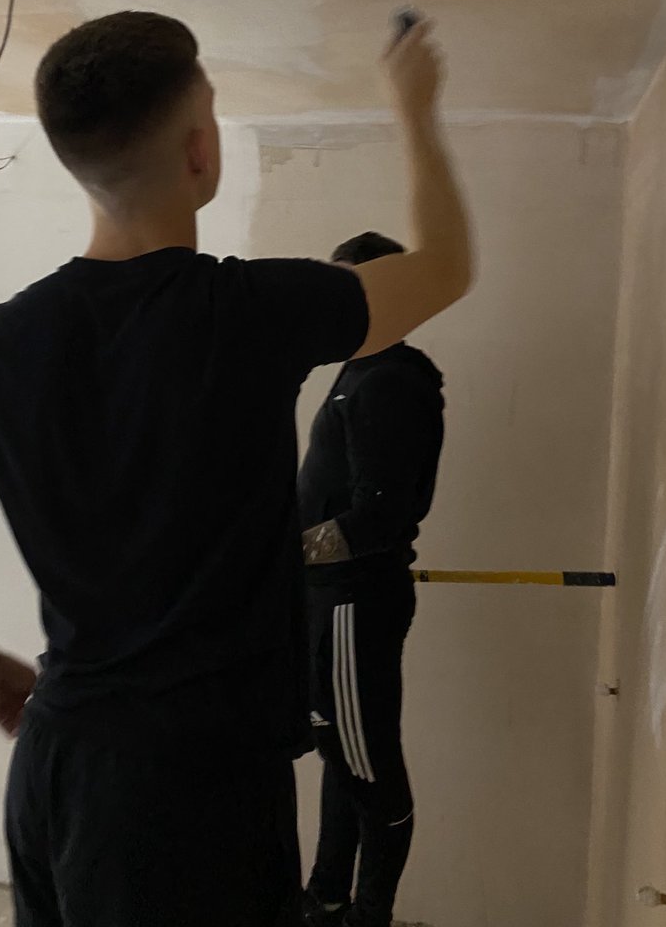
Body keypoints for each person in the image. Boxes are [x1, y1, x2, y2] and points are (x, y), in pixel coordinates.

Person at [0, 10, 471, 927]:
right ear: (201, 151)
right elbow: (447, 269)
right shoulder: (250, 311)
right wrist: (415, 107)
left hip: (54, 768)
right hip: (194, 795)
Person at [299, 231, 447, 927]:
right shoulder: (356, 370)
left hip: (357, 602)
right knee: (339, 753)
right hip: (330, 602)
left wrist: (281, 553)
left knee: (369, 770)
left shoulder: (390, 379)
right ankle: (326, 896)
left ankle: (368, 914)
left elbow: (378, 518)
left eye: (344, 288)